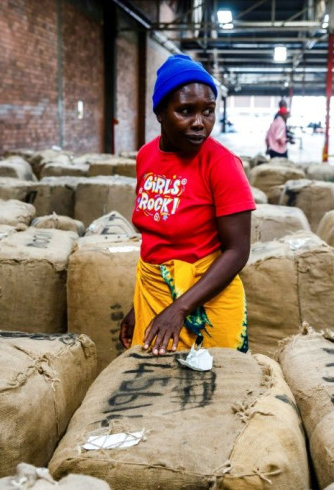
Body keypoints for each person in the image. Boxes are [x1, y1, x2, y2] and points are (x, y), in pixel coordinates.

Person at [119, 54, 256, 356]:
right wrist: (138, 306)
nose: (199, 123)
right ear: (160, 113)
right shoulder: (146, 157)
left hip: (206, 300)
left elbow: (237, 251)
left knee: (212, 388)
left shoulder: (221, 164)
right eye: (185, 111)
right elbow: (156, 240)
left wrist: (179, 308)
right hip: (154, 291)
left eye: (208, 111)